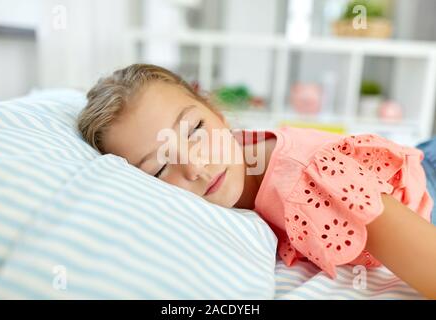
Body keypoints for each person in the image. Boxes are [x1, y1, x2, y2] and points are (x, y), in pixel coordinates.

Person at [78, 64, 436, 299]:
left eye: (197, 130)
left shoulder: (307, 179)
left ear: (216, 114)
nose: (196, 166)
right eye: (159, 169)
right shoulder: (232, 170)